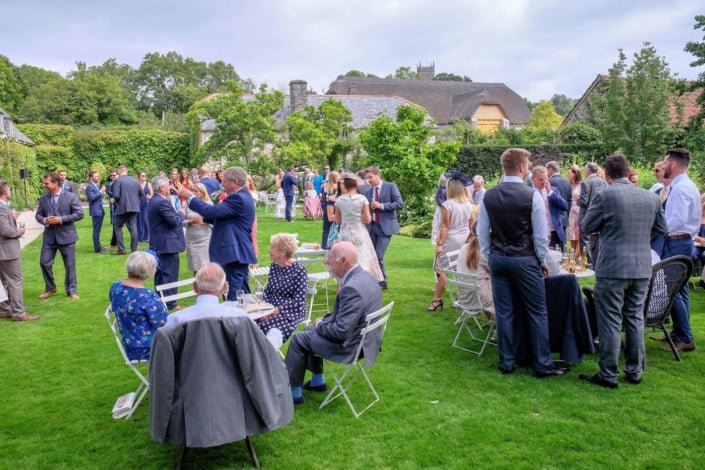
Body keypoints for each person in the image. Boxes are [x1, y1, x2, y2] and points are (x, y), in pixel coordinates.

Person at [579, 154, 667, 388]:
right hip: (640, 266)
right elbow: (661, 229)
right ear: (629, 172)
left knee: (609, 320)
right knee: (635, 318)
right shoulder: (650, 197)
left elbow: (587, 226)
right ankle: (635, 370)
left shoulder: (604, 194)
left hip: (612, 267)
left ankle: (608, 373)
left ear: (607, 175)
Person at [477, 148, 567, 378]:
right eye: (527, 164)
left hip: (498, 259)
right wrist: (541, 260)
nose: (528, 167)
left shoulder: (489, 195)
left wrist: (491, 254)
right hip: (525, 259)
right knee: (537, 311)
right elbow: (539, 235)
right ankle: (542, 364)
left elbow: (482, 233)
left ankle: (507, 362)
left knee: (504, 312)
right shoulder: (532, 195)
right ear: (521, 167)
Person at [284, 241, 382, 405]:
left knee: (299, 339)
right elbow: (347, 317)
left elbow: (340, 332)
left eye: (330, 257)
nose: (326, 261)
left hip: (351, 347)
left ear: (343, 260)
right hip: (366, 339)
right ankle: (317, 381)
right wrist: (322, 322)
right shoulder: (366, 277)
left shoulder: (352, 288)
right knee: (309, 329)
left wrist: (320, 325)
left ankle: (293, 393)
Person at [179, 167, 257, 298]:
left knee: (233, 296)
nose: (222, 184)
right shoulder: (241, 196)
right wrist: (204, 219)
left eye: (225, 181)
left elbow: (212, 211)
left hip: (235, 254)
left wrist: (190, 197)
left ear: (235, 182)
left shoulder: (238, 198)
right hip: (236, 253)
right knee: (242, 294)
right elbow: (223, 217)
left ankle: (234, 318)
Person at [655, 148, 701, 352]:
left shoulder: (681, 188)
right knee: (680, 289)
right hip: (681, 241)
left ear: (673, 164)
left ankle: (684, 337)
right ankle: (678, 332)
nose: (662, 167)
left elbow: (678, 220)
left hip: (677, 242)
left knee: (672, 289)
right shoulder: (686, 185)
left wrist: (657, 229)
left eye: (664, 163)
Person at [109, 251, 168, 361]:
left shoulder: (115, 287)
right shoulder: (148, 296)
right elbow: (164, 323)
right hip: (148, 348)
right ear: (150, 271)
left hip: (128, 344)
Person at [36, 172, 84, 300]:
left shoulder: (70, 196)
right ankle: (50, 288)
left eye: (46, 183)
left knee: (69, 265)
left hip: (67, 236)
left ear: (55, 183)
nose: (44, 185)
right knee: (44, 262)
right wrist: (45, 220)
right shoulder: (43, 198)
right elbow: (38, 215)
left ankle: (71, 290)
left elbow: (79, 214)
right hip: (49, 237)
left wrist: (61, 219)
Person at [428, 177, 473, 311]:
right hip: (464, 238)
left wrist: (440, 243)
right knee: (461, 268)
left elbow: (445, 226)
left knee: (444, 271)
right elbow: (472, 224)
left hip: (451, 239)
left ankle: (436, 300)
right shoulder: (468, 204)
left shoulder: (447, 205)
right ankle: (461, 298)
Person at [255, 233, 307, 344]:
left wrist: (272, 313)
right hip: (270, 307)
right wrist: (262, 307)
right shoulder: (274, 266)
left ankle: (265, 353)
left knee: (267, 325)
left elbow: (298, 301)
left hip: (290, 311)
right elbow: (268, 291)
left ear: (282, 252)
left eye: (272, 248)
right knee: (250, 320)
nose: (269, 251)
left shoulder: (299, 270)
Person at [0, 182, 39, 321]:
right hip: (7, 251)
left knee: (3, 281)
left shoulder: (3, 208)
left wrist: (12, 219)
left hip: (3, 251)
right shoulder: (1, 208)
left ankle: (5, 309)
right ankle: (19, 313)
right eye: (9, 190)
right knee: (15, 281)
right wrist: (19, 231)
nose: (10, 192)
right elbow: (5, 231)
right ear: (5, 192)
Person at [335, 173, 384, 282]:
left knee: (346, 257)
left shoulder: (339, 200)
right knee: (361, 256)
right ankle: (363, 280)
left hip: (345, 232)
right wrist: (359, 218)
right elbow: (368, 219)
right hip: (359, 231)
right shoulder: (362, 199)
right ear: (355, 186)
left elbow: (337, 220)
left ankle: (346, 280)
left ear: (346, 186)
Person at [148, 175, 186, 310]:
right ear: (162, 187)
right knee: (169, 273)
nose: (170, 188)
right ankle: (170, 302)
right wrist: (181, 213)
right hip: (167, 244)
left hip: (160, 242)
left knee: (161, 274)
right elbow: (174, 221)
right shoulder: (161, 202)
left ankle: (160, 299)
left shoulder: (154, 200)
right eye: (168, 186)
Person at [365, 166, 404, 289]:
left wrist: (381, 206)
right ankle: (375, 281)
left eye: (370, 177)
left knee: (378, 255)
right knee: (372, 256)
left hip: (385, 227)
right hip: (372, 227)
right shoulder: (368, 192)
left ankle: (382, 282)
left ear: (377, 175)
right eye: (367, 178)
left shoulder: (390, 186)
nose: (368, 181)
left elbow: (399, 203)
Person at [456, 218, 494, 318]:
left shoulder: (464, 247)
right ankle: (499, 329)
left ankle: (491, 320)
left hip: (463, 295)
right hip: (480, 297)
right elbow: (496, 271)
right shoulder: (484, 251)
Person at [532, 166, 569, 251]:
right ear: (533, 179)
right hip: (538, 234)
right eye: (540, 179)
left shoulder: (553, 190)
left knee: (557, 260)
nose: (544, 182)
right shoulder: (529, 192)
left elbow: (564, 207)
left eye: (546, 178)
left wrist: (550, 193)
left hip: (554, 232)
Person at [112, 165, 144, 255]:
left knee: (117, 226)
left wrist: (117, 202)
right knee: (134, 228)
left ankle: (121, 249)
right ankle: (134, 250)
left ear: (119, 171)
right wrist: (136, 204)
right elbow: (142, 196)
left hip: (122, 208)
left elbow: (116, 195)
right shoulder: (135, 181)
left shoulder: (118, 181)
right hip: (134, 208)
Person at [578, 162, 607, 263]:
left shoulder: (586, 182)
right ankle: (596, 258)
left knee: (584, 238)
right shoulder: (603, 182)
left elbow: (584, 201)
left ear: (588, 170)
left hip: (587, 214)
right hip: (600, 214)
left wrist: (578, 199)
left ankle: (587, 261)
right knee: (597, 238)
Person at [183, 183, 213, 275]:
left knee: (206, 265)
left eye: (196, 191)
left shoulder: (208, 204)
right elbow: (180, 221)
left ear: (203, 192)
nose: (194, 193)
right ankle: (197, 286)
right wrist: (189, 222)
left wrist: (204, 221)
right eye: (192, 191)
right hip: (191, 238)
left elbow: (214, 222)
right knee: (195, 266)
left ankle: (208, 286)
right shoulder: (186, 204)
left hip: (205, 238)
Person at [546, 161, 572, 240]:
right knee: (562, 246)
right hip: (564, 218)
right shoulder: (567, 181)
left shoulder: (549, 182)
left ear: (550, 169)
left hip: (553, 219)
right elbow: (569, 201)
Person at [85, 170, 107, 254]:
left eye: (98, 176)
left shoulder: (96, 186)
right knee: (96, 230)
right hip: (96, 211)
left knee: (98, 230)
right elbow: (92, 197)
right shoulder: (90, 187)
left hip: (100, 210)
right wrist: (101, 191)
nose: (98, 178)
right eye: (96, 176)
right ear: (91, 178)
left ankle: (98, 247)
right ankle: (97, 249)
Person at [566, 165, 582, 258]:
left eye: (569, 172)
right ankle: (573, 253)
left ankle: (577, 255)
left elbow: (585, 198)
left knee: (579, 234)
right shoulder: (568, 185)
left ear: (575, 174)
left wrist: (579, 197)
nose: (567, 174)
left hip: (579, 211)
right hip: (570, 212)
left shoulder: (582, 184)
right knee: (572, 234)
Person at [321, 170, 338, 248]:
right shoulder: (337, 186)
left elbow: (322, 197)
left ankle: (324, 244)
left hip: (327, 206)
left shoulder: (325, 186)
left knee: (326, 227)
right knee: (335, 226)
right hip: (336, 206)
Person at [137, 171, 152, 243]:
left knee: (146, 219)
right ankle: (140, 237)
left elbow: (152, 194)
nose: (144, 177)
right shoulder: (136, 184)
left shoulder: (148, 184)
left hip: (146, 203)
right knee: (139, 220)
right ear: (139, 176)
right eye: (142, 176)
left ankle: (147, 237)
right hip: (138, 203)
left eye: (145, 176)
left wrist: (149, 197)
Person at [106, 170, 118, 249]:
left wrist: (114, 196)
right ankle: (113, 243)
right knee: (115, 224)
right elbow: (108, 191)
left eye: (114, 175)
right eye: (111, 176)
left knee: (129, 225)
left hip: (120, 205)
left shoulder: (119, 183)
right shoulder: (110, 183)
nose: (113, 177)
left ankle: (135, 242)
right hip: (114, 205)